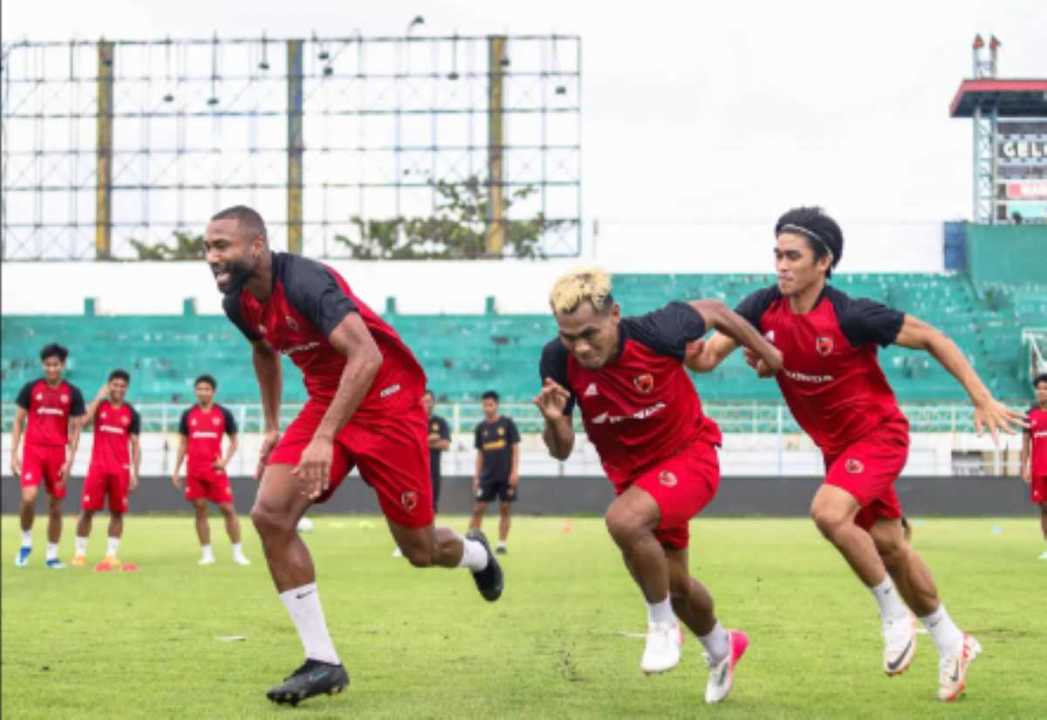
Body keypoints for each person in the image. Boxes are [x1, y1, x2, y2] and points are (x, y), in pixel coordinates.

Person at [689, 206, 1025, 702]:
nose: (781, 265)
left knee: (827, 512)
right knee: (890, 545)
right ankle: (953, 642)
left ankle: (893, 614)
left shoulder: (852, 314)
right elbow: (709, 357)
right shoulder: (762, 306)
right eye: (777, 254)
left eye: (793, 256)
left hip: (879, 437)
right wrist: (681, 345)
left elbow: (931, 337)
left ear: (824, 262)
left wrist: (980, 396)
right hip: (839, 452)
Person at [204, 204, 503, 706]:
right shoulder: (238, 302)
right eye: (207, 247)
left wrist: (323, 437)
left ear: (257, 246)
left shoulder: (305, 282)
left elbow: (367, 356)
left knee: (420, 550)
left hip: (388, 404)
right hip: (329, 402)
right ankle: (323, 661)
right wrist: (276, 425)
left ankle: (476, 554)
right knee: (270, 515)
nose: (211, 257)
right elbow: (263, 352)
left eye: (221, 246)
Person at [534, 267, 782, 704]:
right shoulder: (557, 360)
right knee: (677, 584)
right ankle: (723, 647)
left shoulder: (659, 330)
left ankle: (662, 626)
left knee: (623, 522)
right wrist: (553, 423)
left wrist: (771, 357)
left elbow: (718, 312)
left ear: (615, 314)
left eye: (590, 333)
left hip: (690, 457)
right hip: (634, 481)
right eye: (569, 336)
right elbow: (561, 450)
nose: (581, 347)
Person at [10, 343, 86, 569]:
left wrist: (70, 460)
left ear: (63, 365)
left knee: (55, 505)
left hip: (57, 453)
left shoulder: (73, 393)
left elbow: (76, 429)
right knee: (29, 498)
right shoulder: (30, 388)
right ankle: (26, 542)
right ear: (42, 365)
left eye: (56, 365)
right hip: (33, 450)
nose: (52, 369)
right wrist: (13, 454)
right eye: (48, 364)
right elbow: (18, 420)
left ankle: (51, 555)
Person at [171, 375, 250, 566]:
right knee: (200, 510)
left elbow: (234, 441)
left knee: (228, 509)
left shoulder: (224, 414)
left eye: (206, 389)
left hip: (215, 470)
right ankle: (207, 554)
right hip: (194, 470)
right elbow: (183, 444)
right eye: (199, 389)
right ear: (195, 391)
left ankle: (238, 552)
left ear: (213, 392)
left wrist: (225, 461)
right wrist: (176, 470)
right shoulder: (188, 414)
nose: (203, 392)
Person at [72, 370, 141, 567]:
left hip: (121, 470)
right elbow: (83, 423)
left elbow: (136, 444)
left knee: (118, 513)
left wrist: (135, 472)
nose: (118, 389)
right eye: (115, 384)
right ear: (108, 385)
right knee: (87, 510)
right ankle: (80, 554)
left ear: (126, 388)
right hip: (98, 468)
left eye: (122, 386)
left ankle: (111, 555)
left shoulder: (132, 413)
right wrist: (97, 398)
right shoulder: (99, 406)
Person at [393, 389, 450, 558]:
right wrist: (430, 440)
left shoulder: (440, 422)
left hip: (432, 471)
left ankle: (430, 541)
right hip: (411, 471)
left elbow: (445, 445)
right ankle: (404, 544)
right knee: (408, 506)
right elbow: (406, 445)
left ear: (434, 402)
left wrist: (421, 442)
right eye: (423, 401)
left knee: (432, 507)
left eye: (429, 401)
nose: (427, 404)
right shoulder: (411, 421)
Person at [469, 391, 520, 554]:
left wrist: (514, 472)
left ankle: (502, 543)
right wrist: (476, 476)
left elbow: (515, 448)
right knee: (478, 508)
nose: (487, 408)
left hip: (505, 475)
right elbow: (480, 454)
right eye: (485, 405)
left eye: (490, 404)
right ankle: (473, 542)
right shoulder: (480, 428)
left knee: (505, 507)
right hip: (487, 476)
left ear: (497, 405)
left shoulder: (507, 423)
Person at [1021, 373, 1047, 560]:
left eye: (1045, 388)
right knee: (1044, 509)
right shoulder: (1030, 414)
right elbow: (1025, 444)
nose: (1041, 392)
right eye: (1038, 388)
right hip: (1038, 469)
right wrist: (1024, 466)